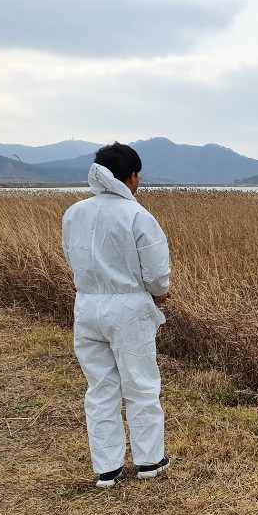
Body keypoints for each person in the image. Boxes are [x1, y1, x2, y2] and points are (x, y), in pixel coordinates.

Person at [61, 142, 172, 488]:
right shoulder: (137, 215)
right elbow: (156, 275)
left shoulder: (74, 213)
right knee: (140, 383)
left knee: (100, 386)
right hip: (128, 307)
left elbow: (71, 257)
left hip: (88, 305)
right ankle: (150, 460)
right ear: (133, 176)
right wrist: (160, 292)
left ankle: (107, 468)